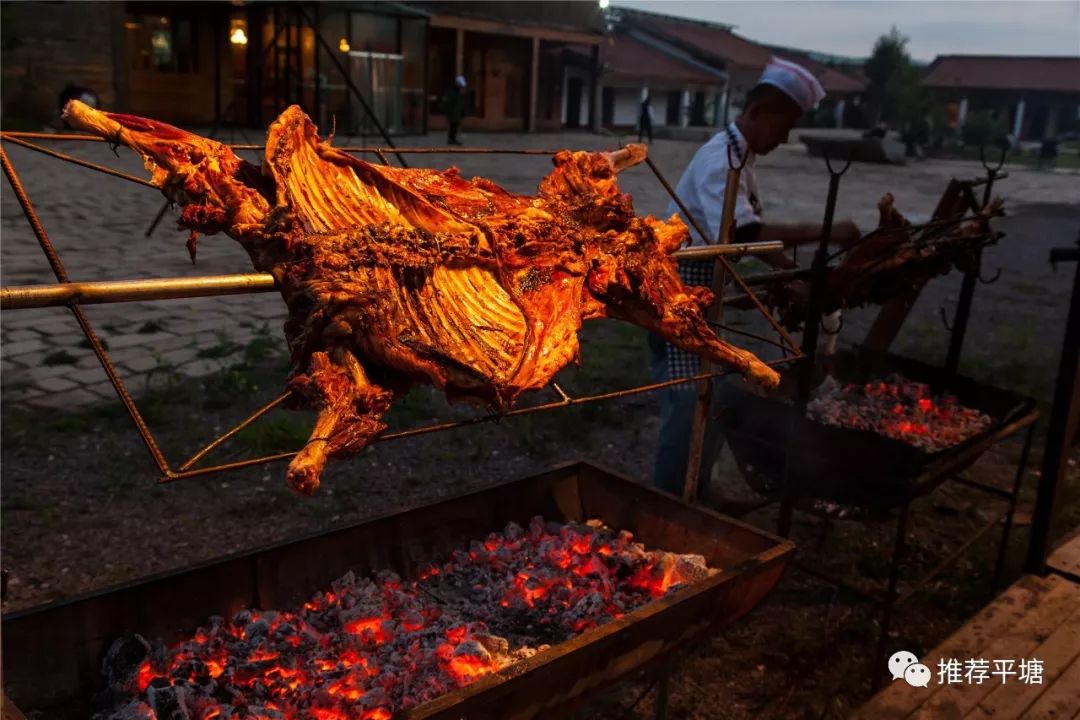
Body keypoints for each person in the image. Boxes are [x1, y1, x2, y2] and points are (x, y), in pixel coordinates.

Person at [650, 56, 861, 499]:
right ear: (758, 113)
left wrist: (789, 271)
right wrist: (826, 229)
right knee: (689, 401)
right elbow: (743, 233)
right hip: (675, 290)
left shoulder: (740, 159)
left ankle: (694, 489)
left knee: (709, 395)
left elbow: (750, 230)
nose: (784, 140)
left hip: (700, 289)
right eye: (783, 128)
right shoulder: (720, 161)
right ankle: (671, 499)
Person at [446, 75, 467, 146]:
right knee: (453, 127)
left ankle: (452, 139)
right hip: (453, 113)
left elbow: (459, 103)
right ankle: (451, 139)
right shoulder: (453, 92)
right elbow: (451, 103)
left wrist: (462, 112)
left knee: (455, 127)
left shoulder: (457, 92)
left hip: (456, 113)